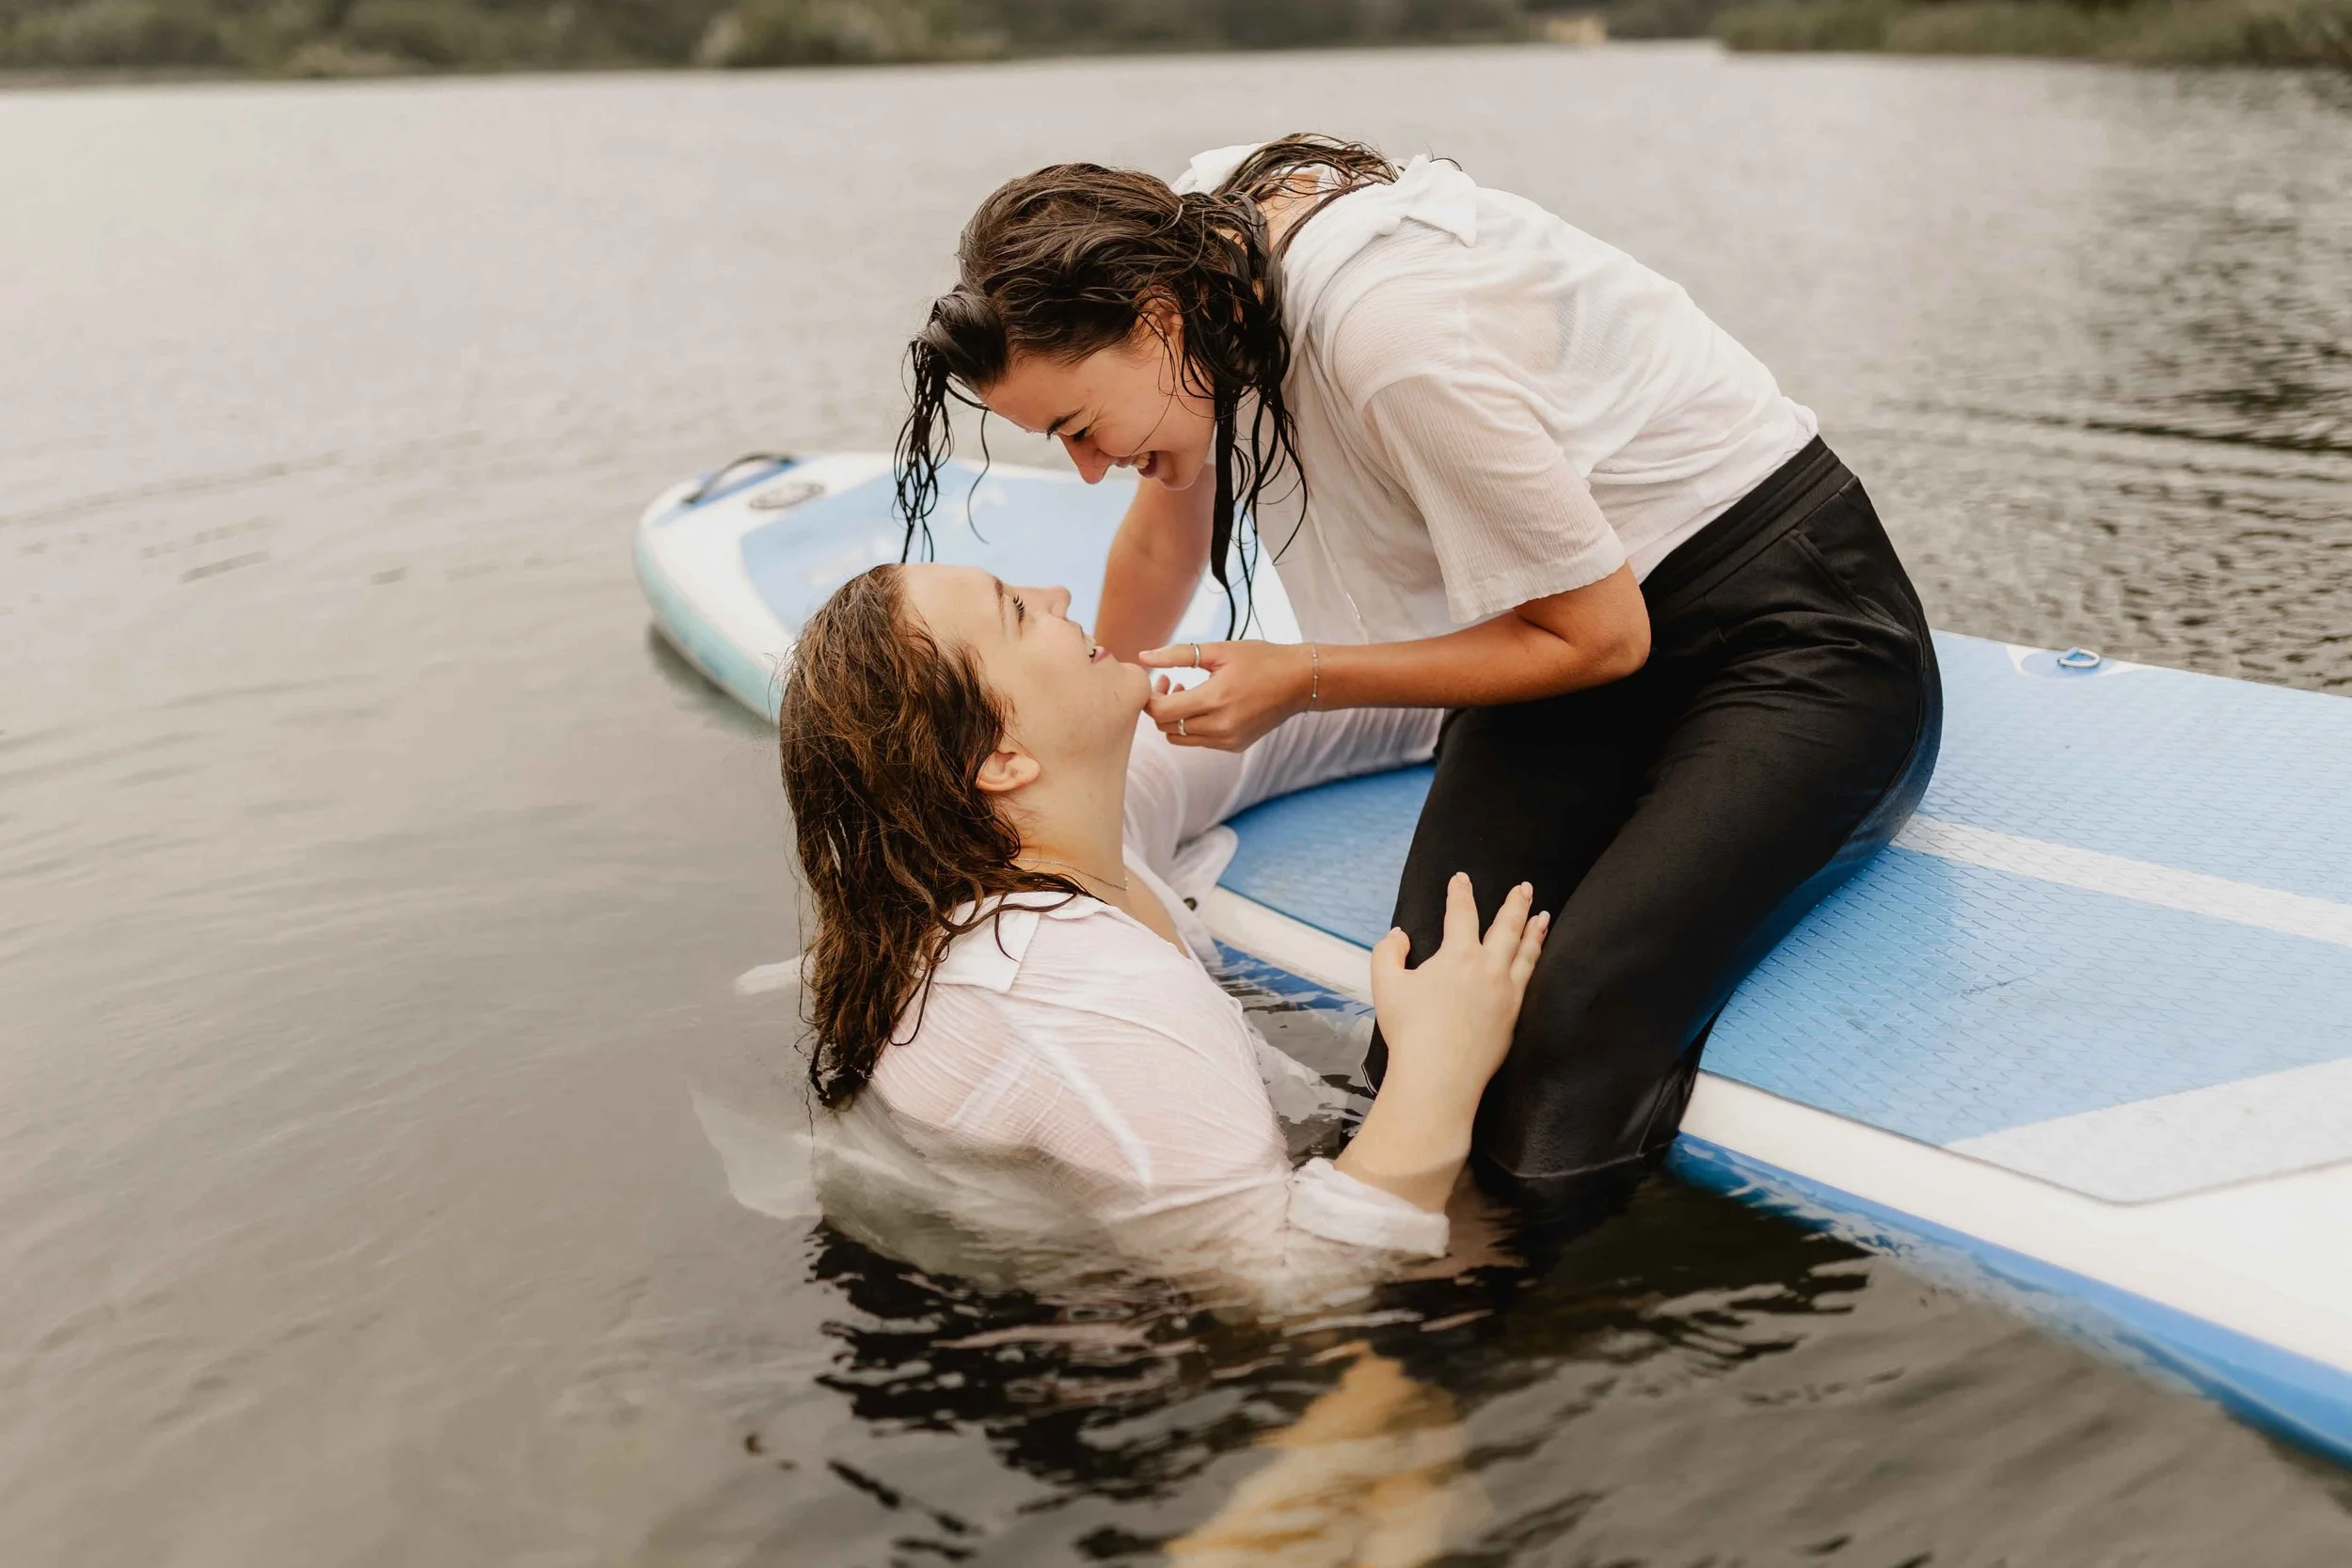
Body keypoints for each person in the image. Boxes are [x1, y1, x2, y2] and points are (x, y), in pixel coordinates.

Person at [895, 134, 1942, 1207]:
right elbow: (1165, 539)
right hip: (1562, 651)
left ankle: (1495, 1332)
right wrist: (1098, 719)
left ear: (1158, 324)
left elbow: (1605, 636)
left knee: (1566, 1037)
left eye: (1076, 426)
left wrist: (1298, 676)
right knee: (1420, 1026)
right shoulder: (1194, 261)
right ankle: (1390, 1266)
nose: (1083, 466)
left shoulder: (1384, 335)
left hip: (1791, 638)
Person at [777, 561, 1546, 1303]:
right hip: (1112, 1367)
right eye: (1017, 610)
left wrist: (1518, 670)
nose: (1059, 592)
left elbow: (1285, 737)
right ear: (1003, 759)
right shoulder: (1078, 990)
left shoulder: (1029, 856)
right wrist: (1440, 1062)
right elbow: (1296, 1281)